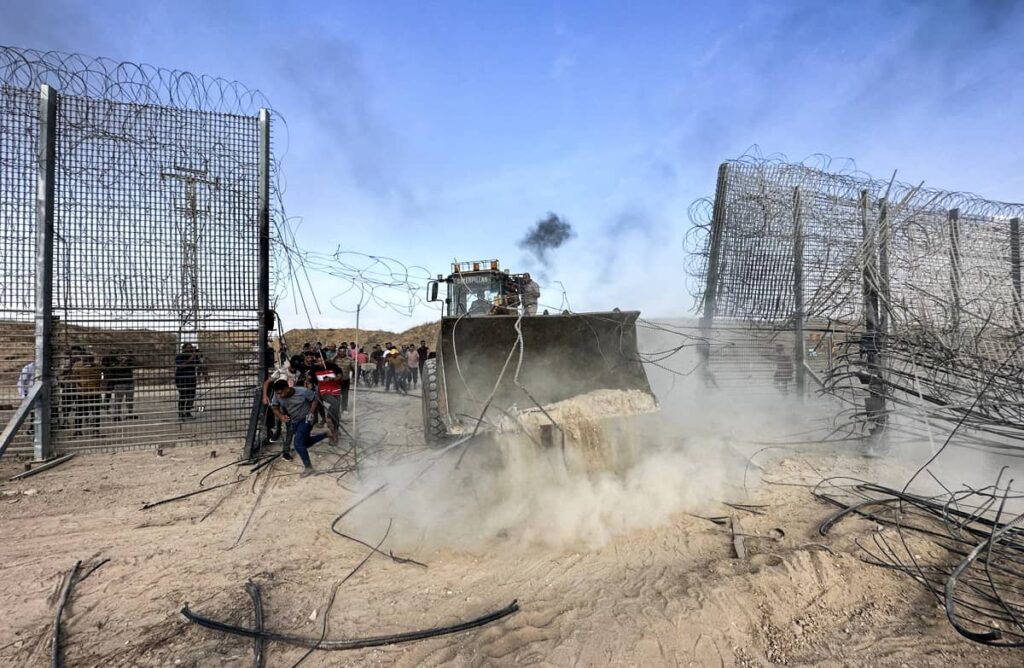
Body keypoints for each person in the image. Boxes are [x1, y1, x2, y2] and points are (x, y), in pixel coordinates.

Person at [270, 379, 323, 476]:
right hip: (294, 421)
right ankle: (326, 434)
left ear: (287, 388)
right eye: (277, 394)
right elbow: (274, 407)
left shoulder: (303, 391)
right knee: (305, 443)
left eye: (280, 393)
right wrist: (281, 416)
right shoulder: (277, 395)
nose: (279, 396)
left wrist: (311, 412)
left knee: (298, 443)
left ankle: (308, 467)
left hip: (306, 419)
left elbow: (314, 399)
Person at [106, 350, 137, 421]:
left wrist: (132, 358)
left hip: (129, 382)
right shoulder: (113, 362)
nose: (122, 356)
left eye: (123, 354)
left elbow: (135, 365)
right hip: (119, 383)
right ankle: (117, 415)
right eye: (120, 355)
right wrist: (123, 362)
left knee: (130, 399)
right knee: (118, 400)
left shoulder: (128, 362)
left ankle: (130, 413)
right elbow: (114, 369)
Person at [174, 343, 202, 420]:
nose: (190, 349)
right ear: (184, 349)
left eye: (191, 348)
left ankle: (187, 412)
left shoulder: (194, 356)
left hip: (191, 379)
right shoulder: (180, 356)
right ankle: (181, 414)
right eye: (188, 348)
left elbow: (199, 365)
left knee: (191, 396)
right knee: (183, 396)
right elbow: (181, 366)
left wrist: (198, 356)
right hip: (181, 379)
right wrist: (191, 357)